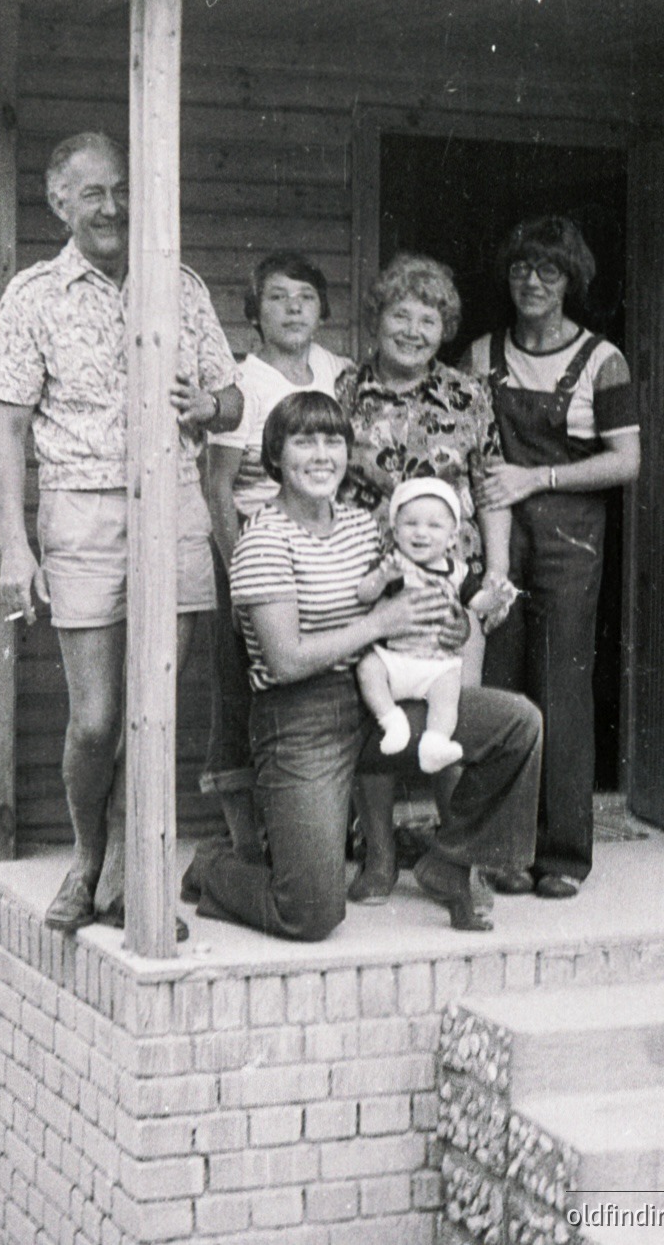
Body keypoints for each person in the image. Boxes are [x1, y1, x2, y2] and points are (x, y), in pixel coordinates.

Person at [0, 131, 242, 933]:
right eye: (93, 193)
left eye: (120, 189)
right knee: (97, 717)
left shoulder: (179, 285)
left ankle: (136, 883)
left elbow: (230, 401)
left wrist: (207, 407)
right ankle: (87, 857)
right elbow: (5, 434)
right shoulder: (32, 296)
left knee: (158, 710)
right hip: (84, 509)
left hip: (172, 504)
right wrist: (12, 545)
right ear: (58, 202)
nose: (111, 206)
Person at [192, 391, 542, 940]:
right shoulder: (262, 539)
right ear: (275, 456)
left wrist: (454, 624)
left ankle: (450, 863)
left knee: (517, 724)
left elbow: (413, 588)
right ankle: (213, 869)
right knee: (309, 912)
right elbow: (284, 661)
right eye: (303, 440)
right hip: (300, 719)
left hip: (378, 702)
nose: (321, 454)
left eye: (333, 440)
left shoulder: (363, 526)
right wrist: (379, 626)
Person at [464, 215, 640, 900]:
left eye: (548, 270)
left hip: (569, 537)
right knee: (501, 689)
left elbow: (625, 460)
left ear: (570, 280)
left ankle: (562, 852)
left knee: (560, 686)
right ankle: (503, 847)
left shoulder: (603, 359)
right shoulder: (480, 353)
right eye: (520, 268)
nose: (531, 281)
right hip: (498, 535)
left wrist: (535, 477)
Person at [335, 253, 514, 901]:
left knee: (456, 712)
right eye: (400, 314)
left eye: (428, 318)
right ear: (377, 319)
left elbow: (490, 489)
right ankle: (379, 858)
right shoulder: (347, 390)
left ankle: (455, 858)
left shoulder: (468, 393)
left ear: (445, 329)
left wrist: (494, 573)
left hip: (449, 583)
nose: (412, 329)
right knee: (374, 714)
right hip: (374, 581)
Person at [197, 252, 352, 874]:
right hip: (256, 552)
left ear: (322, 309)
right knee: (241, 696)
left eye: (306, 297)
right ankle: (244, 843)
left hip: (325, 548)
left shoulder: (338, 372)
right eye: (278, 298)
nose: (293, 309)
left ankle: (324, 829)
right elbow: (218, 489)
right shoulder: (244, 384)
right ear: (255, 311)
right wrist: (243, 585)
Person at [355, 478, 519, 771]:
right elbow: (364, 594)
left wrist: (496, 597)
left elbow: (478, 603)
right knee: (368, 668)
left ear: (453, 537)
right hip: (395, 659)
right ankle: (392, 720)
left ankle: (435, 742)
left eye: (434, 526)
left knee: (448, 692)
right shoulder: (393, 565)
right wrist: (381, 577)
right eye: (410, 524)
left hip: (436, 664)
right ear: (394, 529)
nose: (421, 533)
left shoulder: (458, 572)